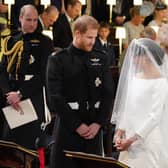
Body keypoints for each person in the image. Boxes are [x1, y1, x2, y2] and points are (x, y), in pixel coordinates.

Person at [46, 15, 114, 168]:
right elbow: (55, 97)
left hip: (93, 130)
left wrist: (98, 123)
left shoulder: (101, 58)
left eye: (95, 37)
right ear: (77, 34)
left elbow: (108, 93)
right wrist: (77, 125)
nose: (93, 41)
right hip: (68, 129)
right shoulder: (58, 60)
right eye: (89, 37)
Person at [0, 4, 53, 150]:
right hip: (10, 98)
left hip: (32, 96)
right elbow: (3, 71)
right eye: (29, 20)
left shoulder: (45, 42)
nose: (32, 24)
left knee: (30, 145)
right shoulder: (11, 40)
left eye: (35, 20)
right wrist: (8, 94)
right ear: (20, 18)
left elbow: (44, 75)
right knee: (9, 145)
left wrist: (20, 93)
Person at [111, 38, 168, 168]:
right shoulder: (136, 78)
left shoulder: (160, 82)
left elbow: (155, 116)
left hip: (147, 139)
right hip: (128, 138)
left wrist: (132, 139)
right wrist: (120, 132)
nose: (132, 60)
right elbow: (128, 107)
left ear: (146, 58)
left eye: (135, 56)